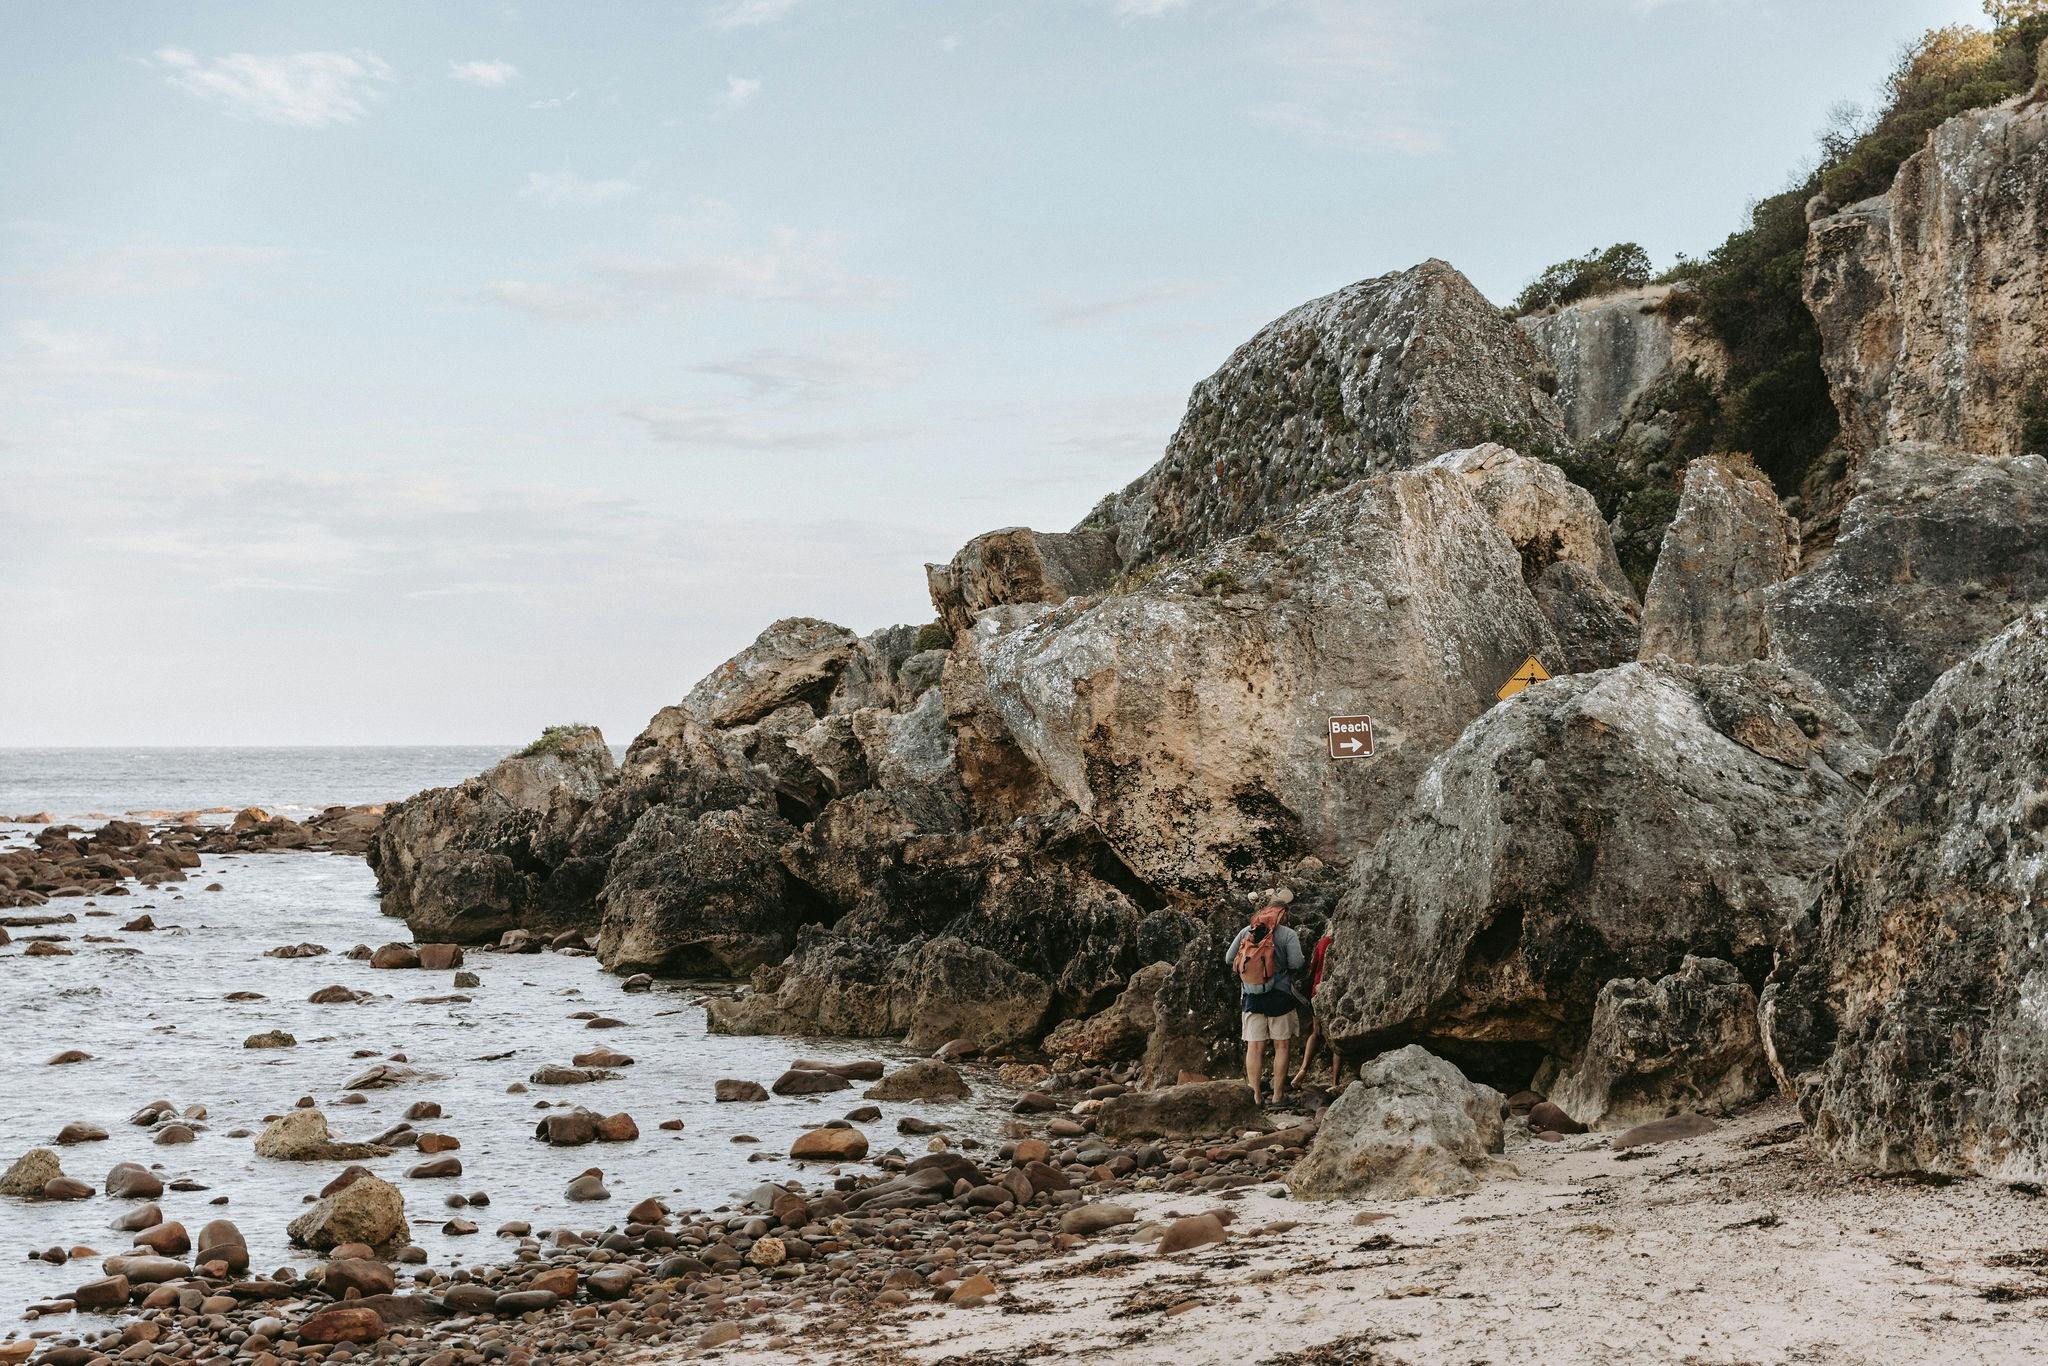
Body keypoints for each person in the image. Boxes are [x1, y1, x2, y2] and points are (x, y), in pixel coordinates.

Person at [1224, 892, 1305, 1107]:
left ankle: (1255, 1097)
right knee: (1282, 1046)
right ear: (1284, 915)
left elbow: (1229, 958)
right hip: (1280, 997)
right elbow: (1297, 963)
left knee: (1254, 1047)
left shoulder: (1246, 931)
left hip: (1251, 996)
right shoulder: (1288, 934)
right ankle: (1278, 1096)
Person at [1290, 928, 1342, 1092]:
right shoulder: (1338, 942)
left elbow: (1313, 967)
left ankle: (1302, 1071)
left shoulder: (1322, 942)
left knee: (1315, 1032)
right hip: (1334, 991)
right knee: (1337, 1035)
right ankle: (1335, 1082)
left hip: (1316, 991)